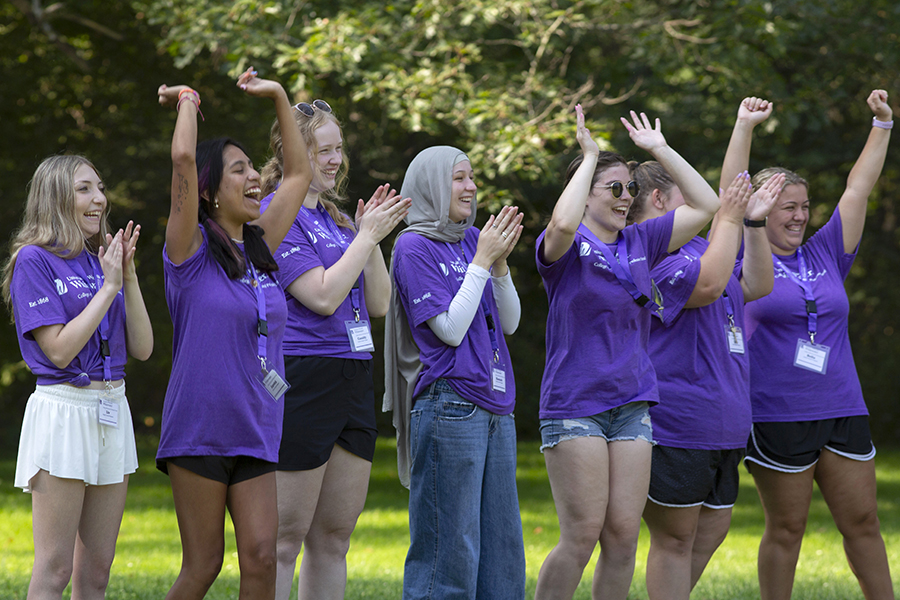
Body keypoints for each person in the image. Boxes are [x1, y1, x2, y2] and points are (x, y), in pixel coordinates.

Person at [533, 106, 720, 600]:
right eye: (613, 188)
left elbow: (707, 204)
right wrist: (590, 155)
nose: (626, 198)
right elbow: (561, 222)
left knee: (622, 537)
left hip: (633, 401)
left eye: (630, 190)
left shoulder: (640, 239)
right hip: (576, 405)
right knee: (582, 534)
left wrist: (658, 150)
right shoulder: (564, 250)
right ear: (587, 193)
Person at [154, 68, 312, 600]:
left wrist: (281, 99)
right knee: (203, 566)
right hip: (199, 428)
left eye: (252, 169)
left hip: (257, 424)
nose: (254, 179)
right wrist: (188, 101)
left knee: (263, 559)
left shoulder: (261, 244)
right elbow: (181, 161)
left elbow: (296, 176)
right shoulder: (189, 250)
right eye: (239, 170)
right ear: (209, 190)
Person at [731, 90, 894, 600]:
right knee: (787, 529)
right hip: (776, 412)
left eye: (804, 206)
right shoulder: (741, 248)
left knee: (863, 522)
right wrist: (745, 127)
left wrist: (882, 124)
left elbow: (858, 189)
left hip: (842, 405)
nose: (800, 216)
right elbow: (729, 192)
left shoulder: (826, 252)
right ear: (762, 209)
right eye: (787, 207)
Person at [258, 99, 410, 600]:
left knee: (334, 539)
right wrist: (365, 239)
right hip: (304, 375)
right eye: (322, 150)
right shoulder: (276, 211)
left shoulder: (338, 217)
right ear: (292, 153)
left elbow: (381, 302)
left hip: (351, 375)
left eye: (338, 149)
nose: (334, 160)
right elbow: (321, 296)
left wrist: (369, 238)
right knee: (285, 540)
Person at [628, 138, 782, 599]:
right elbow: (712, 284)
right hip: (680, 421)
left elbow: (757, 283)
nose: (703, 205)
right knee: (675, 539)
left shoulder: (700, 244)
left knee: (710, 532)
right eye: (688, 195)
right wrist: (732, 217)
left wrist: (750, 221)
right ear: (659, 199)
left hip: (725, 423)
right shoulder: (650, 255)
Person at [3, 154, 153, 599]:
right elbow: (60, 350)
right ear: (54, 198)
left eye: (100, 188)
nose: (99, 199)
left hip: (112, 406)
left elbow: (143, 349)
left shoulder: (98, 262)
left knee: (98, 572)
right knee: (54, 569)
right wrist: (108, 289)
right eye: (84, 189)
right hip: (64, 409)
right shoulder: (33, 261)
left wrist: (126, 275)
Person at [384, 145, 526, 599]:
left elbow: (509, 322)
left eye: (472, 177)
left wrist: (499, 266)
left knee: (503, 551)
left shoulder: (471, 238)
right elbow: (447, 330)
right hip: (450, 404)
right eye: (459, 178)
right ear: (431, 185)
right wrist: (483, 262)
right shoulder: (413, 246)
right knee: (450, 548)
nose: (471, 187)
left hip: (495, 406)